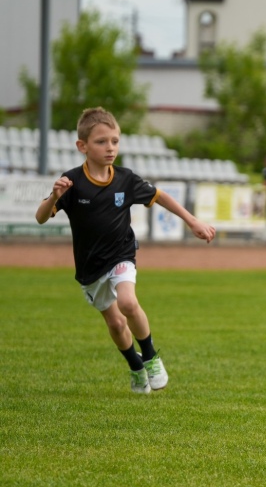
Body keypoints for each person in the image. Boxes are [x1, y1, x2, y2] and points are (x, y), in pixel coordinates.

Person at [35, 107, 216, 394]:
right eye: (101, 141)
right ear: (82, 146)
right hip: (90, 268)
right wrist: (54, 197)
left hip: (122, 254)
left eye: (115, 141)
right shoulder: (71, 182)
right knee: (117, 324)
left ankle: (151, 357)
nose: (110, 147)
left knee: (128, 303)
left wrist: (192, 221)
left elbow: (160, 196)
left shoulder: (126, 179)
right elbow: (41, 217)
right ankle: (135, 366)